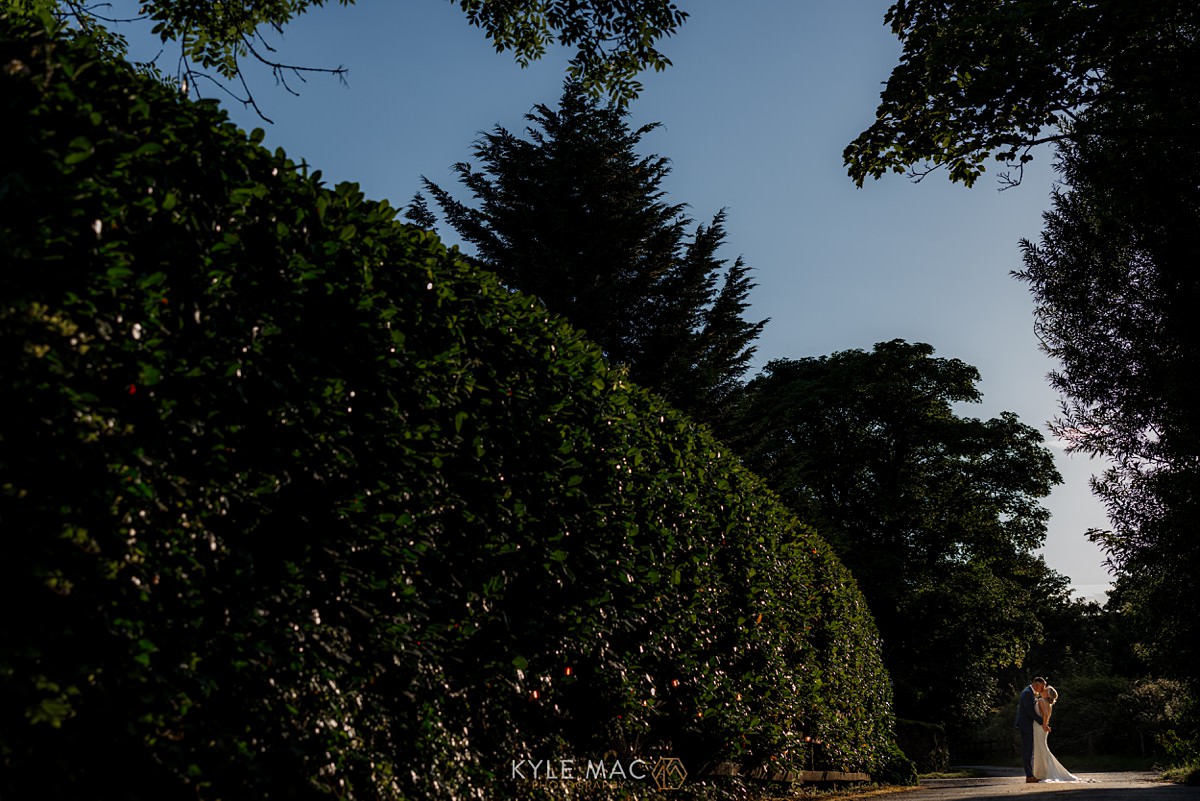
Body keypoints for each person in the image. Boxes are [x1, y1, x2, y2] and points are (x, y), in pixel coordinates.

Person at [1033, 685, 1083, 782]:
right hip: (1042, 728)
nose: (1043, 690)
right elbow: (1047, 715)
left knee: (1041, 749)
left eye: (1045, 689)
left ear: (1047, 694)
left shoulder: (1041, 701)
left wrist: (1044, 725)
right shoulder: (1048, 704)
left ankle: (1046, 772)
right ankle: (1042, 772)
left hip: (1040, 728)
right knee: (1041, 749)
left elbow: (1045, 715)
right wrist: (1046, 724)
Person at [1014, 677, 1047, 783]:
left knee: (1028, 750)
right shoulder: (1027, 693)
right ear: (1037, 684)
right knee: (1027, 750)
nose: (1042, 690)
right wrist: (1043, 722)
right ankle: (1029, 776)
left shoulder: (1029, 692)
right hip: (1025, 725)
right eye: (1042, 687)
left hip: (1027, 725)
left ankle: (1030, 774)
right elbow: (1030, 712)